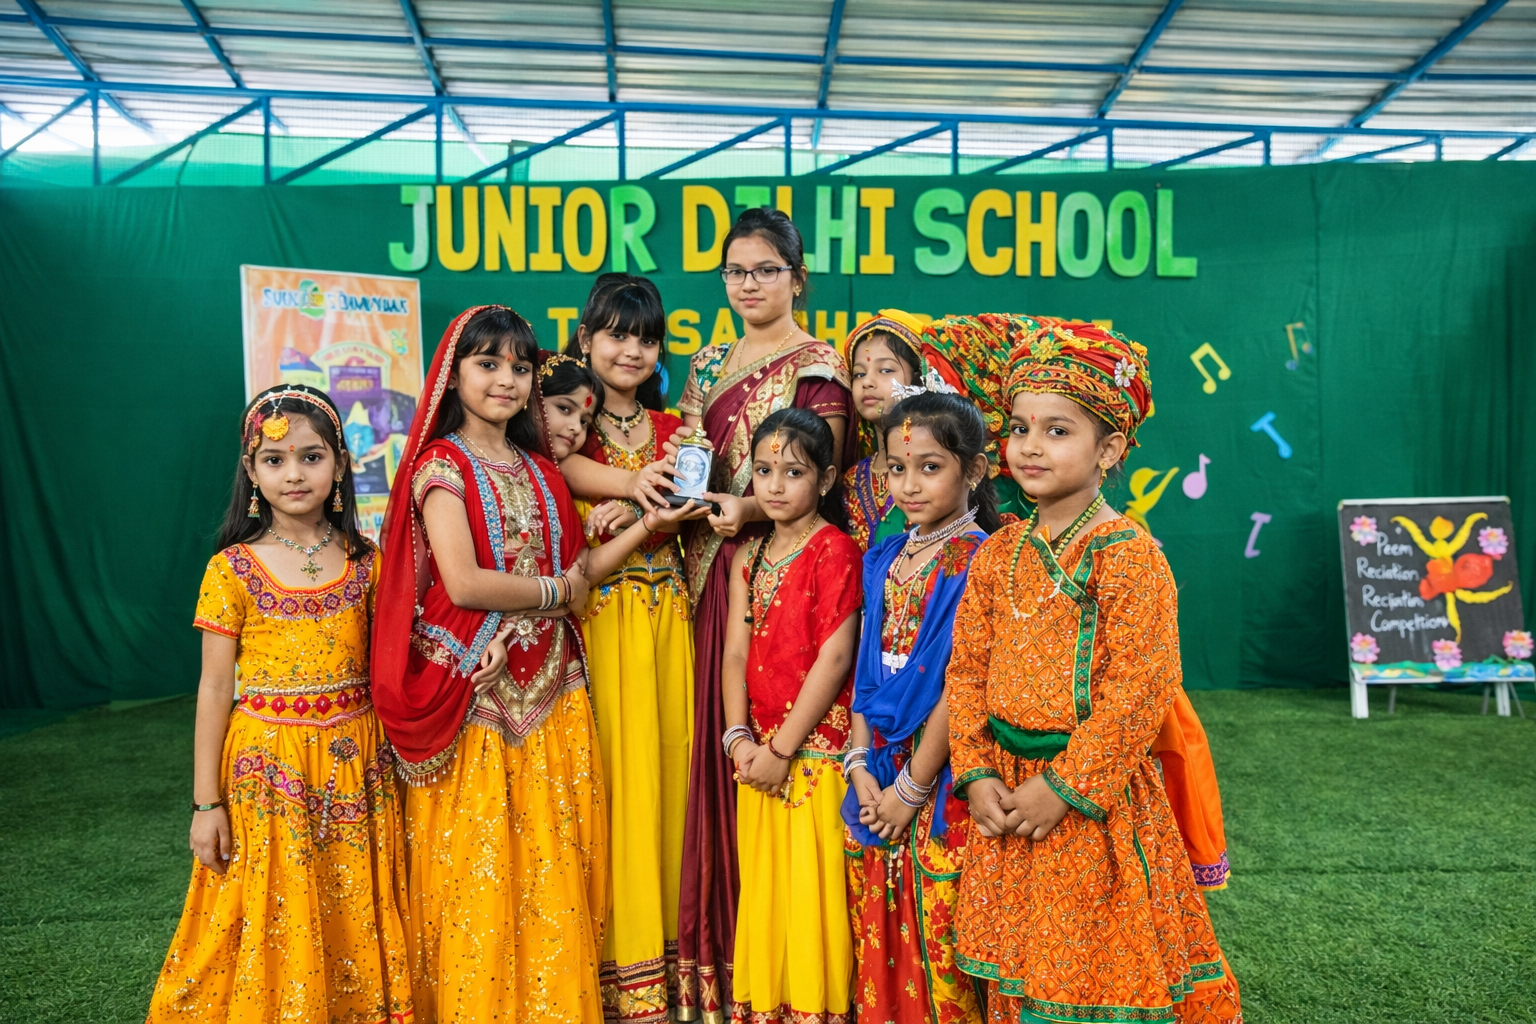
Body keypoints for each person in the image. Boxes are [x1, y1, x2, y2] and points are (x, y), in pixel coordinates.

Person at [946, 318, 1241, 1024]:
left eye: (1057, 431)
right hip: (1005, 797)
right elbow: (967, 672)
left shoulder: (1128, 555)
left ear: (1108, 449)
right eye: (1020, 428)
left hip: (1088, 806)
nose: (1030, 446)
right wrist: (977, 771)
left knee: (1092, 976)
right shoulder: (998, 552)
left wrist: (1065, 788)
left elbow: (1142, 689)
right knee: (1018, 977)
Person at [146, 384, 416, 1024]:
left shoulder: (367, 562)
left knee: (353, 900)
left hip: (358, 766)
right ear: (251, 470)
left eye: (310, 457)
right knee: (272, 904)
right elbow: (215, 687)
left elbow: (401, 656)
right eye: (275, 460)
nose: (293, 474)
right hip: (268, 773)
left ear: (340, 464)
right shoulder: (232, 569)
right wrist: (205, 804)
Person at [370, 306, 607, 1023]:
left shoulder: (541, 468)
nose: (506, 379)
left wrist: (636, 523)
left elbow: (579, 571)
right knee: (478, 867)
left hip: (552, 690)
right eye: (488, 363)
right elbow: (465, 583)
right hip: (478, 692)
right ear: (453, 374)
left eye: (520, 367)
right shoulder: (442, 465)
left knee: (553, 861)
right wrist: (554, 594)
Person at [673, 207, 853, 1020]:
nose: (749, 285)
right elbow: (688, 454)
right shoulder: (709, 362)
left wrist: (748, 507)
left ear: (797, 279)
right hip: (703, 566)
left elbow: (824, 473)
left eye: (766, 271)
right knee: (714, 745)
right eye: (736, 272)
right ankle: (723, 961)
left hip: (772, 563)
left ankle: (785, 967)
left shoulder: (819, 367)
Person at [546, 305, 704, 1023]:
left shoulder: (676, 431)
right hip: (598, 624)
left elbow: (692, 499)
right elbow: (560, 474)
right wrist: (630, 490)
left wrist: (642, 504)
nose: (632, 350)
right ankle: (608, 976)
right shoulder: (563, 426)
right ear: (585, 339)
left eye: (646, 338)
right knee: (610, 785)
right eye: (615, 334)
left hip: (669, 620)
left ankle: (668, 976)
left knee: (670, 780)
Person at [843, 391, 996, 1024]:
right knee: (874, 928)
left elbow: (963, 685)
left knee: (939, 936)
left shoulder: (981, 560)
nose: (908, 485)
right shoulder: (884, 557)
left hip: (940, 775)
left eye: (930, 467)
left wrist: (910, 787)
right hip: (875, 769)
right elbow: (863, 668)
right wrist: (859, 765)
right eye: (897, 468)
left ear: (974, 470)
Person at [720, 408, 861, 1024]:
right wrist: (738, 740)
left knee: (811, 895)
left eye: (794, 472)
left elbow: (835, 657)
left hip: (812, 758)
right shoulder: (747, 556)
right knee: (768, 889)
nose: (775, 486)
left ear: (825, 480)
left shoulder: (836, 550)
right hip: (756, 759)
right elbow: (734, 653)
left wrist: (781, 751)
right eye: (763, 471)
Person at [842, 310, 925, 550]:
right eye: (859, 374)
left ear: (918, 379)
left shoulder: (936, 468)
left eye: (886, 370)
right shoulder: (852, 479)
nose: (867, 382)